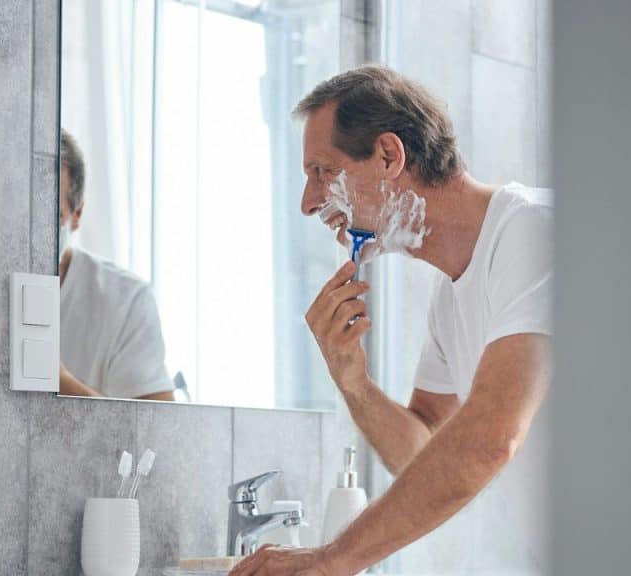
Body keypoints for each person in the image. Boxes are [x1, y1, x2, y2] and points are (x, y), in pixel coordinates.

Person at [231, 66, 552, 575]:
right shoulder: (451, 297)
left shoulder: (533, 234)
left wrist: (332, 560)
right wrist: (352, 381)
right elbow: (422, 458)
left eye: (322, 172)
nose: (309, 202)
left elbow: (490, 438)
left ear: (388, 156)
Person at [57, 129, 175, 401]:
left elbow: (158, 433)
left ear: (77, 215)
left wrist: (61, 381)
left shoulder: (126, 301)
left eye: (50, 213)